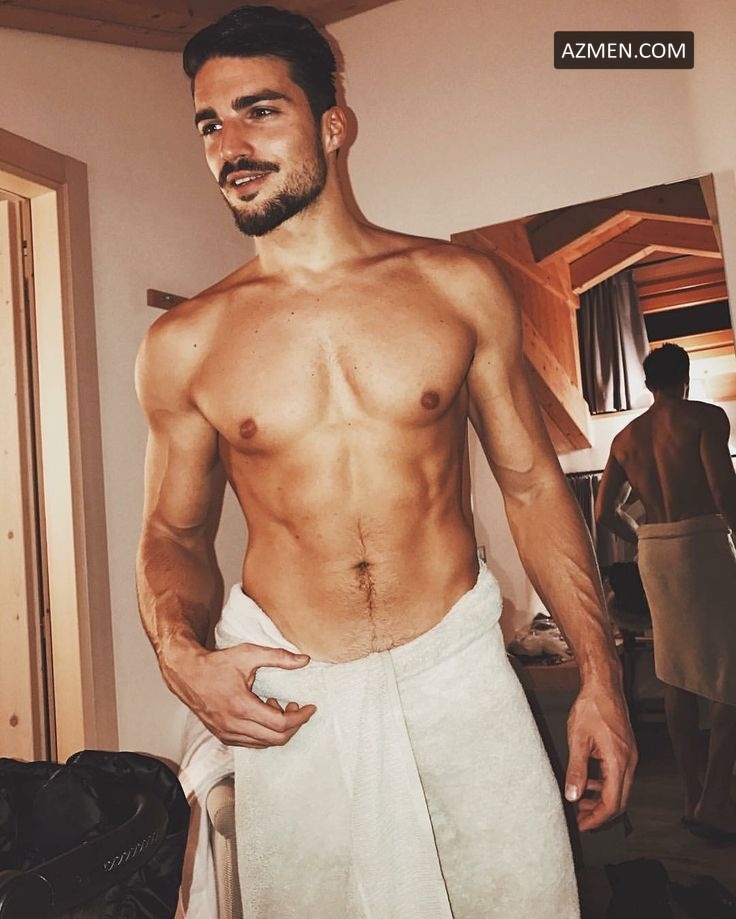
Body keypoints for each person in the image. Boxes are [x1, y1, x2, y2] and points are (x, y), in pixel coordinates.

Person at [135, 7, 635, 916]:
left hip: (457, 677)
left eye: (259, 111)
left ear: (333, 124)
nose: (230, 147)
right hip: (298, 701)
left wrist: (600, 674)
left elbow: (531, 485)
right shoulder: (184, 343)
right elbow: (172, 533)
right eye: (210, 124)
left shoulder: (458, 287)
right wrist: (181, 656)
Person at [596, 342, 736, 842]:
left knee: (674, 672)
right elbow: (723, 491)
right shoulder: (705, 418)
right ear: (686, 378)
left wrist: (643, 535)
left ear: (648, 383)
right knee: (730, 670)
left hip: (655, 550)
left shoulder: (625, 438)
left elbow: (604, 513)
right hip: (701, 542)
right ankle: (714, 799)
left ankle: (691, 794)